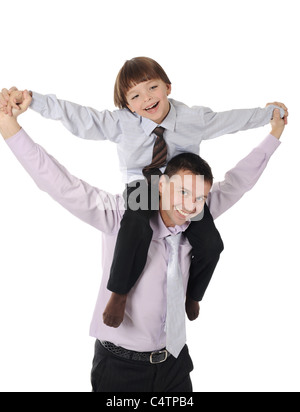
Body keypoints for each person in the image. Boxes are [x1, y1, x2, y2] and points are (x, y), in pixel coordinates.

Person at [0, 92, 285, 392]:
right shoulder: (119, 216)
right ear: (162, 186)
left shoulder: (198, 220)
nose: (190, 205)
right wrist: (9, 127)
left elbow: (239, 181)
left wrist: (274, 132)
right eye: (183, 193)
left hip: (175, 364)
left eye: (199, 197)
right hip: (121, 370)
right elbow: (59, 183)